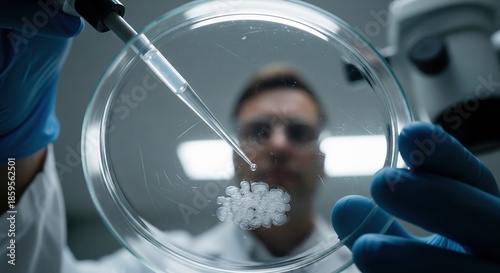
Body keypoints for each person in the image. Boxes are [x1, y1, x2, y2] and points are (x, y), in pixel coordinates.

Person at [1, 2, 499, 273]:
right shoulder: (156, 263)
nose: (278, 144)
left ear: (323, 158)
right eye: (259, 131)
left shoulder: (376, 266)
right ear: (231, 153)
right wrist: (10, 156)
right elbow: (13, 264)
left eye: (298, 132)